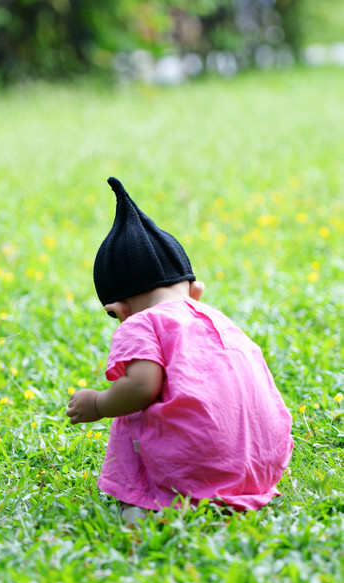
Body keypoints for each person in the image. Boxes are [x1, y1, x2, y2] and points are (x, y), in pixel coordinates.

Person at [67, 177, 293, 524]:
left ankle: (150, 505)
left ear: (118, 310)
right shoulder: (217, 318)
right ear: (195, 290)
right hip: (262, 463)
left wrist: (98, 403)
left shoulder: (141, 323)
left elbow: (142, 386)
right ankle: (233, 490)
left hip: (199, 466)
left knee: (134, 414)